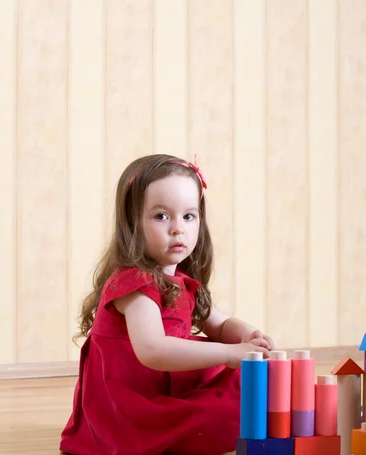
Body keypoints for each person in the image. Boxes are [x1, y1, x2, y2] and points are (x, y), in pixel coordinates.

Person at [60, 154, 275, 455]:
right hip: (135, 407)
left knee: (255, 384)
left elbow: (219, 322)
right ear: (132, 223)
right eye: (161, 216)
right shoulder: (133, 284)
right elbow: (153, 350)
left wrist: (247, 336)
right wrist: (230, 353)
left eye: (189, 216)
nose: (178, 228)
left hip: (169, 388)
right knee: (236, 413)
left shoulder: (182, 281)